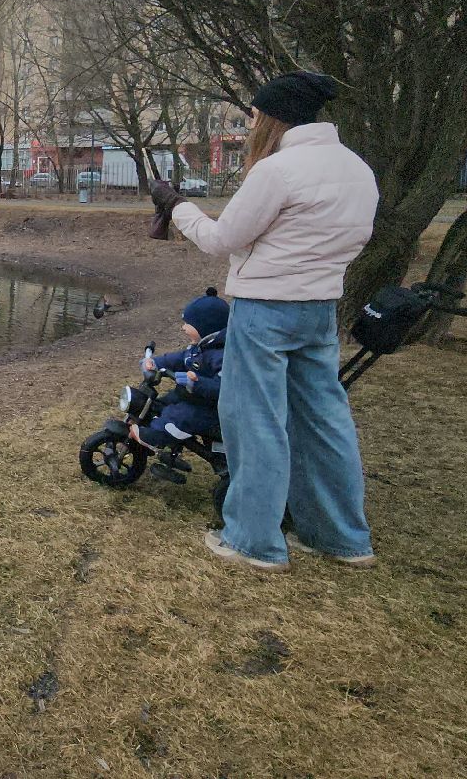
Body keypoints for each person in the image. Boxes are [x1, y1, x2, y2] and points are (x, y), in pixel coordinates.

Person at [151, 70, 379, 572]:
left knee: (255, 421)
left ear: (272, 117)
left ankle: (254, 540)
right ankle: (341, 538)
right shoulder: (357, 169)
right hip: (320, 310)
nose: (252, 121)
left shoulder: (277, 171)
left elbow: (220, 239)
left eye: (254, 114)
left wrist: (177, 207)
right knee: (325, 421)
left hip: (265, 309)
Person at [131, 288, 229, 451]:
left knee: (180, 416)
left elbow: (224, 388)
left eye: (188, 324)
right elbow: (179, 358)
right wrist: (155, 363)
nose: (183, 328)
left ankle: (158, 438)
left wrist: (196, 383)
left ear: (205, 327)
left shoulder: (220, 356)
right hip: (191, 396)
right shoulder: (200, 348)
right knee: (161, 404)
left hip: (208, 406)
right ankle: (164, 439)